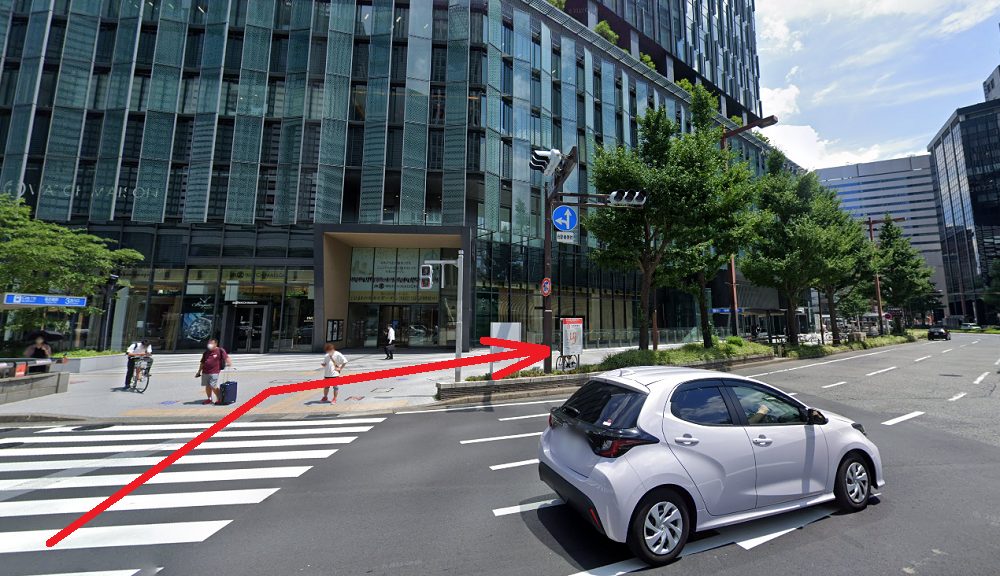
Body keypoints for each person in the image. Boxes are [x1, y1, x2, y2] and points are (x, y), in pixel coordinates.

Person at [195, 338, 231, 405]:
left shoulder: (220, 350)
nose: (209, 345)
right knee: (207, 386)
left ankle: (220, 399)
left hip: (214, 371)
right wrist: (199, 371)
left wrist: (229, 362)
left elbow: (226, 357)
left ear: (215, 344)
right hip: (205, 371)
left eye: (211, 343)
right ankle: (209, 399)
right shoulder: (206, 352)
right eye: (209, 343)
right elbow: (202, 362)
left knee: (213, 385)